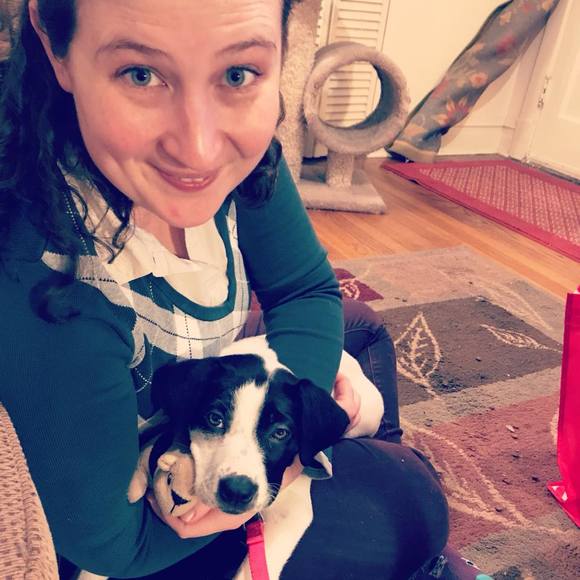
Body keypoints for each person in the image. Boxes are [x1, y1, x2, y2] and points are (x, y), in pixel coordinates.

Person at [0, 1, 450, 578]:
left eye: (238, 73)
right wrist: (276, 470)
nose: (200, 149)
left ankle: (358, 453)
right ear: (53, 41)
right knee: (414, 497)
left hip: (195, 408)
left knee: (361, 324)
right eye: (141, 73)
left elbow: (306, 289)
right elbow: (112, 545)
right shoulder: (49, 279)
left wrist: (289, 440)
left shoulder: (246, 161)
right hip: (140, 537)